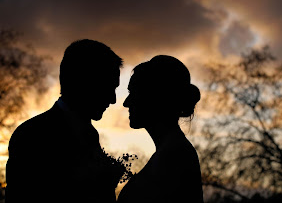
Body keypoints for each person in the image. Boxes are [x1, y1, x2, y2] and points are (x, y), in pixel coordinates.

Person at [6, 39, 123, 203]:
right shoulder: (32, 135)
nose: (113, 99)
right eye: (108, 88)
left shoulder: (90, 135)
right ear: (84, 83)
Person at [117, 55, 204, 203]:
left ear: (155, 97)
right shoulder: (172, 152)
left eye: (133, 93)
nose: (126, 102)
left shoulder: (175, 155)